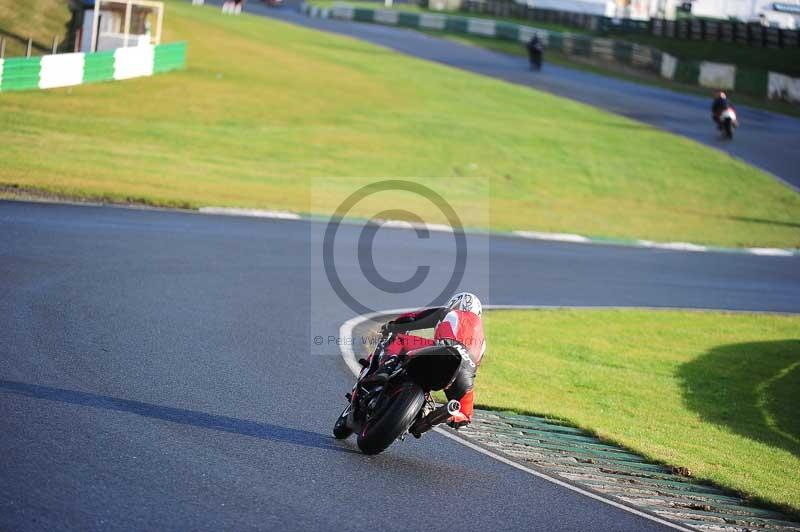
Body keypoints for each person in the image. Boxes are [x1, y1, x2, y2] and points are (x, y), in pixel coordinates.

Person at [366, 292, 486, 435]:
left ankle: (385, 370)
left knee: (398, 339)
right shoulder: (482, 338)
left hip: (445, 352)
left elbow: (413, 318)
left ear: (455, 303)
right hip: (466, 374)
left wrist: (391, 326)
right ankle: (434, 418)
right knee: (465, 415)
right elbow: (476, 363)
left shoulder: (449, 312)